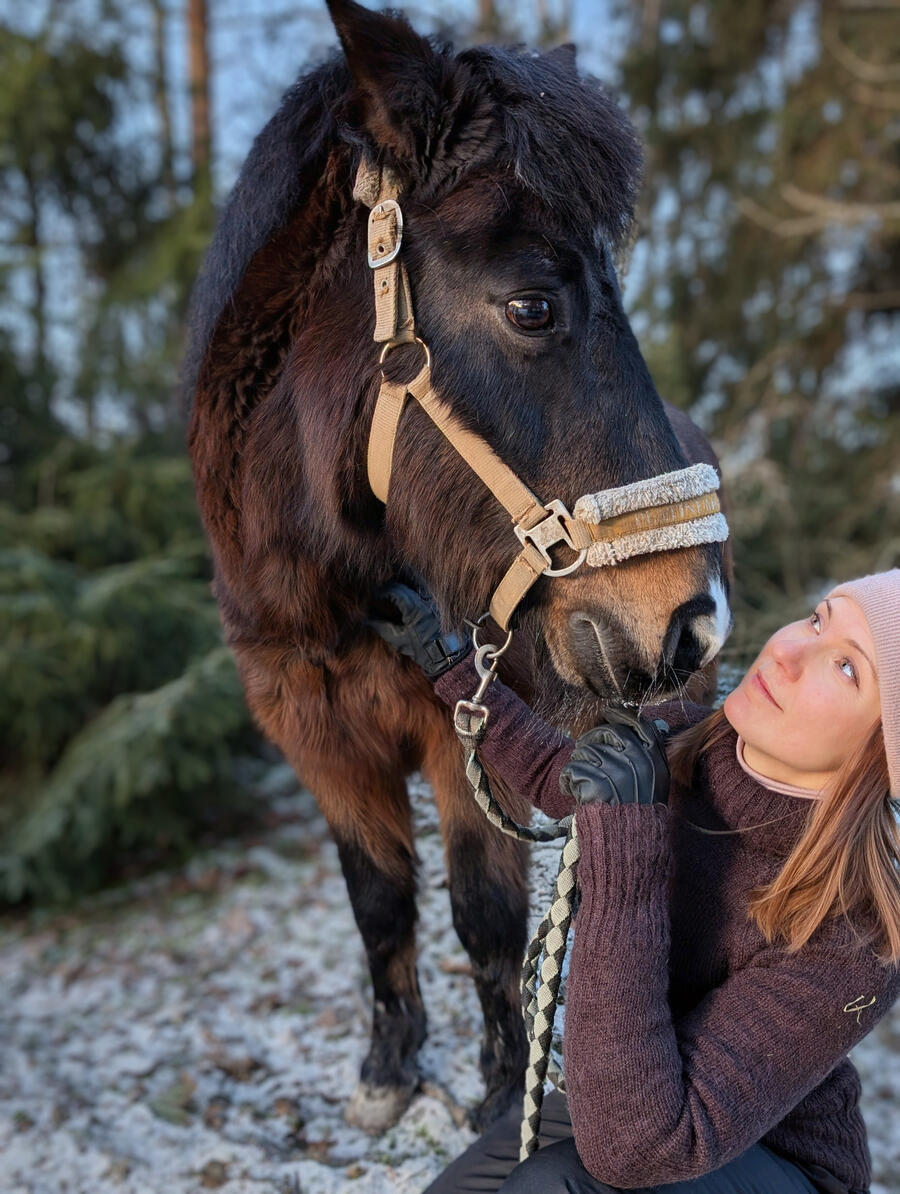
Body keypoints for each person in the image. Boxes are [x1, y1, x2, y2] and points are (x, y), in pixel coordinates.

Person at [369, 569, 900, 1194]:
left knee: (550, 1186)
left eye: (847, 668)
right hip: (628, 1082)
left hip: (769, 1160)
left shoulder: (858, 935)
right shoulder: (686, 738)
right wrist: (456, 667)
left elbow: (638, 1151)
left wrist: (628, 846)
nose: (785, 651)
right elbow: (565, 778)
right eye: (817, 619)